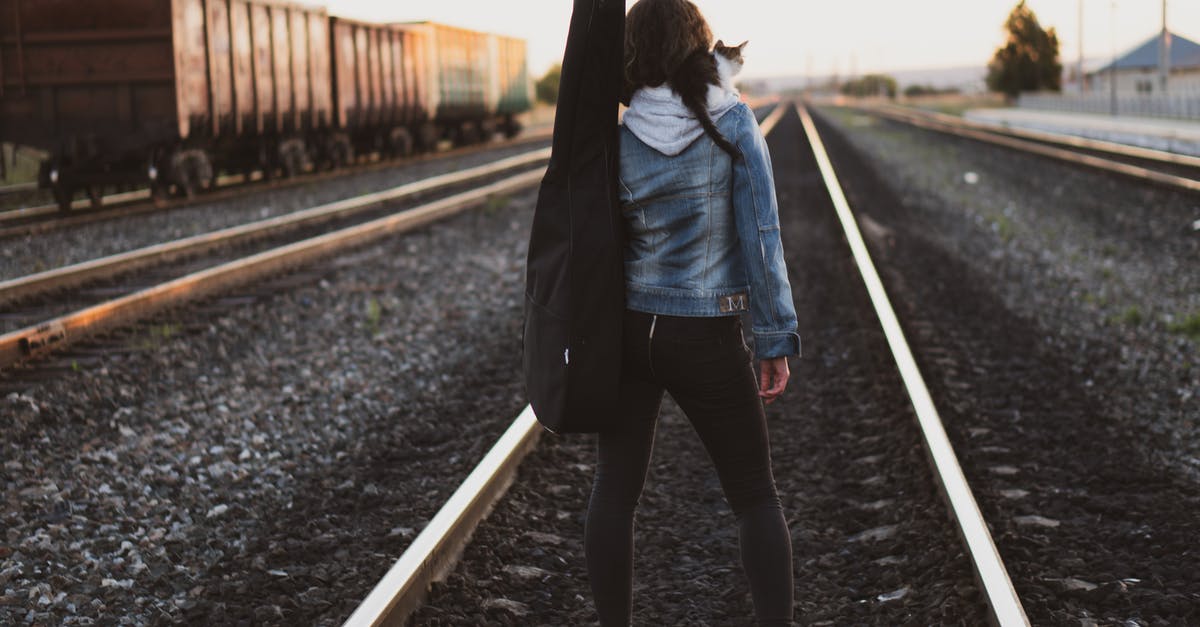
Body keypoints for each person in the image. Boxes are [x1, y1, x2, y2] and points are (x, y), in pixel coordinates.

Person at [583, 1, 801, 625]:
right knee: (756, 498)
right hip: (703, 334)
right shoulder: (732, 123)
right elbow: (763, 237)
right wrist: (773, 337)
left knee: (614, 493)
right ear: (695, 44)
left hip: (631, 331)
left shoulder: (619, 136)